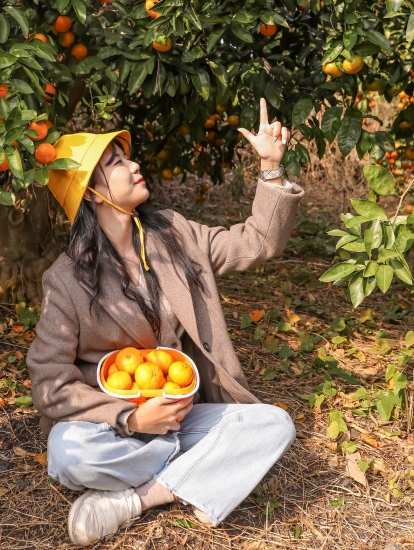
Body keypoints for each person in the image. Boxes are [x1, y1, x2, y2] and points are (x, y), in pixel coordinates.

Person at [27, 98, 304, 546]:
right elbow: (49, 382)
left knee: (275, 426)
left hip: (182, 414)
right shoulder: (67, 280)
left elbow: (256, 243)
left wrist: (271, 168)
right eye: (117, 162)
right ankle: (201, 468)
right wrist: (131, 419)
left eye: (126, 156)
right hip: (112, 426)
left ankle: (137, 498)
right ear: (91, 194)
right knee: (66, 452)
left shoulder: (174, 234)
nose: (134, 164)